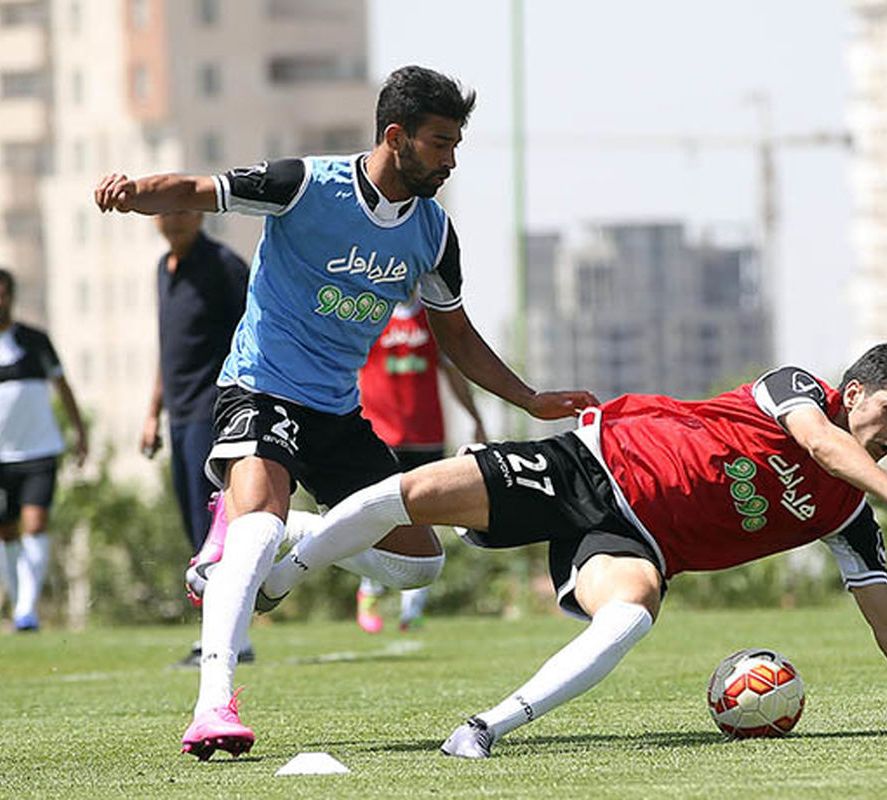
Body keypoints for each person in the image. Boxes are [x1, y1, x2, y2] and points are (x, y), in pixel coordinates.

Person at [93, 65, 597, 760]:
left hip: (337, 412)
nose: (451, 160)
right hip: (261, 387)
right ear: (397, 137)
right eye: (440, 143)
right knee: (259, 517)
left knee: (418, 564)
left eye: (456, 144)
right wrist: (132, 193)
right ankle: (214, 706)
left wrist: (530, 399)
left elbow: (456, 337)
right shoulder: (304, 184)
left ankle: (271, 562)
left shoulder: (432, 234)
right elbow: (197, 190)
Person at [254, 343, 887, 757]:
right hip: (592, 463)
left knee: (632, 613)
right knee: (407, 499)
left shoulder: (852, 512)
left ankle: (481, 730)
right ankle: (283, 571)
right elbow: (822, 445)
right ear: (854, 392)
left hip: (633, 540)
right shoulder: (797, 389)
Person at [0, 266, 88, 632]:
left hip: (41, 451)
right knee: (5, 530)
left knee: (36, 524)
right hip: (0, 458)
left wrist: (79, 432)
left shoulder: (36, 341)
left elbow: (63, 385)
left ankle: (26, 609)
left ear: (10, 296)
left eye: (1, 295)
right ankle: (18, 599)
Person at [140, 210, 253, 667]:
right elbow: (167, 350)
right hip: (179, 416)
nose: (173, 218)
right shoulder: (163, 269)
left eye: (181, 207)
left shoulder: (223, 265)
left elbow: (255, 330)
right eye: (164, 210)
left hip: (215, 411)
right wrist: (152, 411)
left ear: (201, 212)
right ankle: (219, 633)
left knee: (218, 530)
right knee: (194, 527)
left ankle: (233, 640)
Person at [354, 295, 488, 633]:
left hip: (427, 434)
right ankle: (370, 590)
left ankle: (412, 608)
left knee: (427, 518)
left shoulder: (433, 319)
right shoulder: (371, 311)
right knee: (375, 516)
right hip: (380, 433)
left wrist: (474, 415)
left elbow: (453, 372)